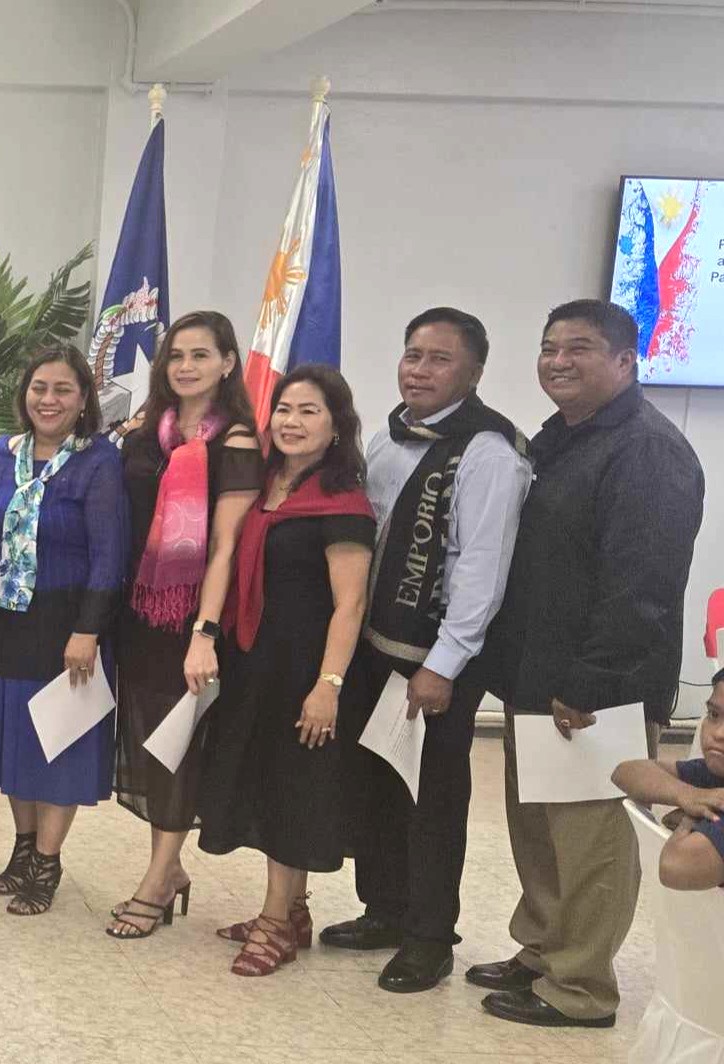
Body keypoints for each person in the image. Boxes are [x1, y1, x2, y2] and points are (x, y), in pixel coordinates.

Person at [471, 299, 705, 1029]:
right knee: (540, 829)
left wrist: (591, 682)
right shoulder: (560, 439)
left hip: (595, 691)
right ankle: (544, 950)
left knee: (590, 840)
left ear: (626, 362)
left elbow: (643, 584)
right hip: (538, 675)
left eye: (579, 347)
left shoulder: (647, 450)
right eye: (548, 347)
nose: (558, 360)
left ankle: (582, 989)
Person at [318, 308, 532, 992]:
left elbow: (481, 567)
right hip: (377, 646)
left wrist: (443, 664)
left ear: (473, 372)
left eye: (440, 359)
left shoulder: (489, 452)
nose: (420, 369)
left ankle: (429, 937)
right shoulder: (388, 438)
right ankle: (383, 908)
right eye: (413, 354)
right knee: (374, 785)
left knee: (430, 801)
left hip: (438, 658)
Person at [197, 365, 375, 976]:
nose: (292, 422)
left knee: (292, 791)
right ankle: (290, 910)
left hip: (306, 670)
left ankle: (275, 923)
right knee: (267, 780)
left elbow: (350, 604)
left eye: (310, 411)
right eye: (285, 410)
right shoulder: (268, 484)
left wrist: (328, 686)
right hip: (255, 663)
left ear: (336, 425)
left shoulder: (342, 500)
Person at [107, 311, 262, 938]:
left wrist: (204, 632)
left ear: (228, 363)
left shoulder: (239, 442)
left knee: (179, 745)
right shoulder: (147, 434)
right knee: (149, 739)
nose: (186, 367)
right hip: (139, 611)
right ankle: (166, 870)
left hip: (192, 619)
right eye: (176, 356)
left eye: (201, 355)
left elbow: (226, 546)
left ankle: (159, 876)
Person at [0, 343, 128, 917]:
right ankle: (21, 849)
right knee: (17, 741)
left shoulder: (98, 461)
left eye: (63, 389)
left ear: (83, 398)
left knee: (59, 744)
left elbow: (109, 555)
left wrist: (87, 631)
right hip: (9, 622)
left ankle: (48, 860)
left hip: (69, 626)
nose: (49, 399)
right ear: (24, 394)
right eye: (40, 387)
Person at [612, 669, 724, 892]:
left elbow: (674, 866)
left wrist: (688, 817)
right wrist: (688, 794)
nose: (719, 733)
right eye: (713, 715)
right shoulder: (713, 775)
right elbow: (625, 771)